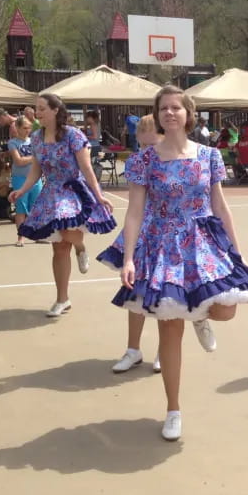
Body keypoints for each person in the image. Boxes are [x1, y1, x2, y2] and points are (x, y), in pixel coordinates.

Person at [112, 85, 248, 440]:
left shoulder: (209, 156)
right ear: (157, 114)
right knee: (169, 326)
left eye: (176, 107)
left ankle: (200, 315)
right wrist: (128, 258)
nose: (170, 113)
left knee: (227, 309)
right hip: (163, 246)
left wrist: (237, 251)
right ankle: (173, 409)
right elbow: (135, 212)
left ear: (188, 113)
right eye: (164, 108)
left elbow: (220, 206)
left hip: (203, 243)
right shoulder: (144, 160)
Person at [8, 93, 116, 317]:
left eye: (42, 109)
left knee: (67, 231)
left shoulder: (72, 135)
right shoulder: (36, 138)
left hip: (72, 190)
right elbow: (36, 170)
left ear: (56, 110)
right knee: (58, 248)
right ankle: (62, 299)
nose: (38, 113)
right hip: (50, 193)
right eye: (36, 109)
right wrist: (22, 190)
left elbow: (86, 169)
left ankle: (81, 247)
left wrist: (99, 195)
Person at [98, 115, 164, 374]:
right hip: (141, 231)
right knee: (134, 289)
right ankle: (133, 349)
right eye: (143, 145)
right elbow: (136, 206)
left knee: (163, 293)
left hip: (165, 233)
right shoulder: (138, 163)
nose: (148, 151)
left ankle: (163, 349)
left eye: (153, 145)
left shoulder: (172, 161)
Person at [7, 115, 43, 246]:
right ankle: (21, 237)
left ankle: (38, 234)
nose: (27, 130)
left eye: (29, 127)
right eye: (24, 128)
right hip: (20, 178)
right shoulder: (13, 143)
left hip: (36, 179)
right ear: (17, 128)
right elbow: (18, 161)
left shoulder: (33, 140)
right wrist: (34, 158)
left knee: (36, 208)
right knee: (21, 208)